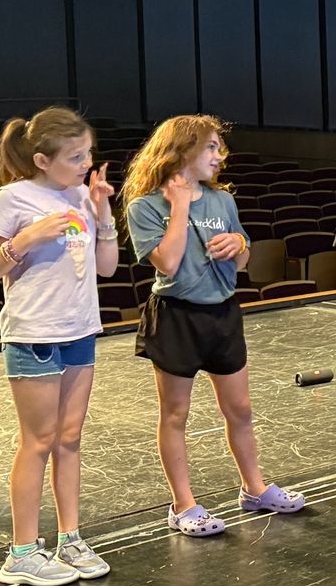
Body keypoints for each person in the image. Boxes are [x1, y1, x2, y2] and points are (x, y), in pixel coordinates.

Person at [123, 116, 304, 537]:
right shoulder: (146, 205)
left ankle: (254, 488)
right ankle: (183, 505)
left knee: (240, 409)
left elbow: (243, 260)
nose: (220, 156)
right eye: (211, 147)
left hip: (222, 314)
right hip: (176, 317)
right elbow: (166, 263)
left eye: (219, 148)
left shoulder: (223, 202)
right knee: (176, 413)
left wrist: (240, 246)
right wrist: (181, 206)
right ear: (182, 150)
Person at [0, 108, 119, 586]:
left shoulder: (82, 194)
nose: (86, 163)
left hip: (80, 329)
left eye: (88, 153)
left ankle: (70, 538)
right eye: (75, 156)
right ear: (42, 159)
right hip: (34, 333)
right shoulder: (13, 197)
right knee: (37, 441)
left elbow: (106, 268)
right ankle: (20, 553)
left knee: (69, 439)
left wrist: (101, 213)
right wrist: (27, 238)